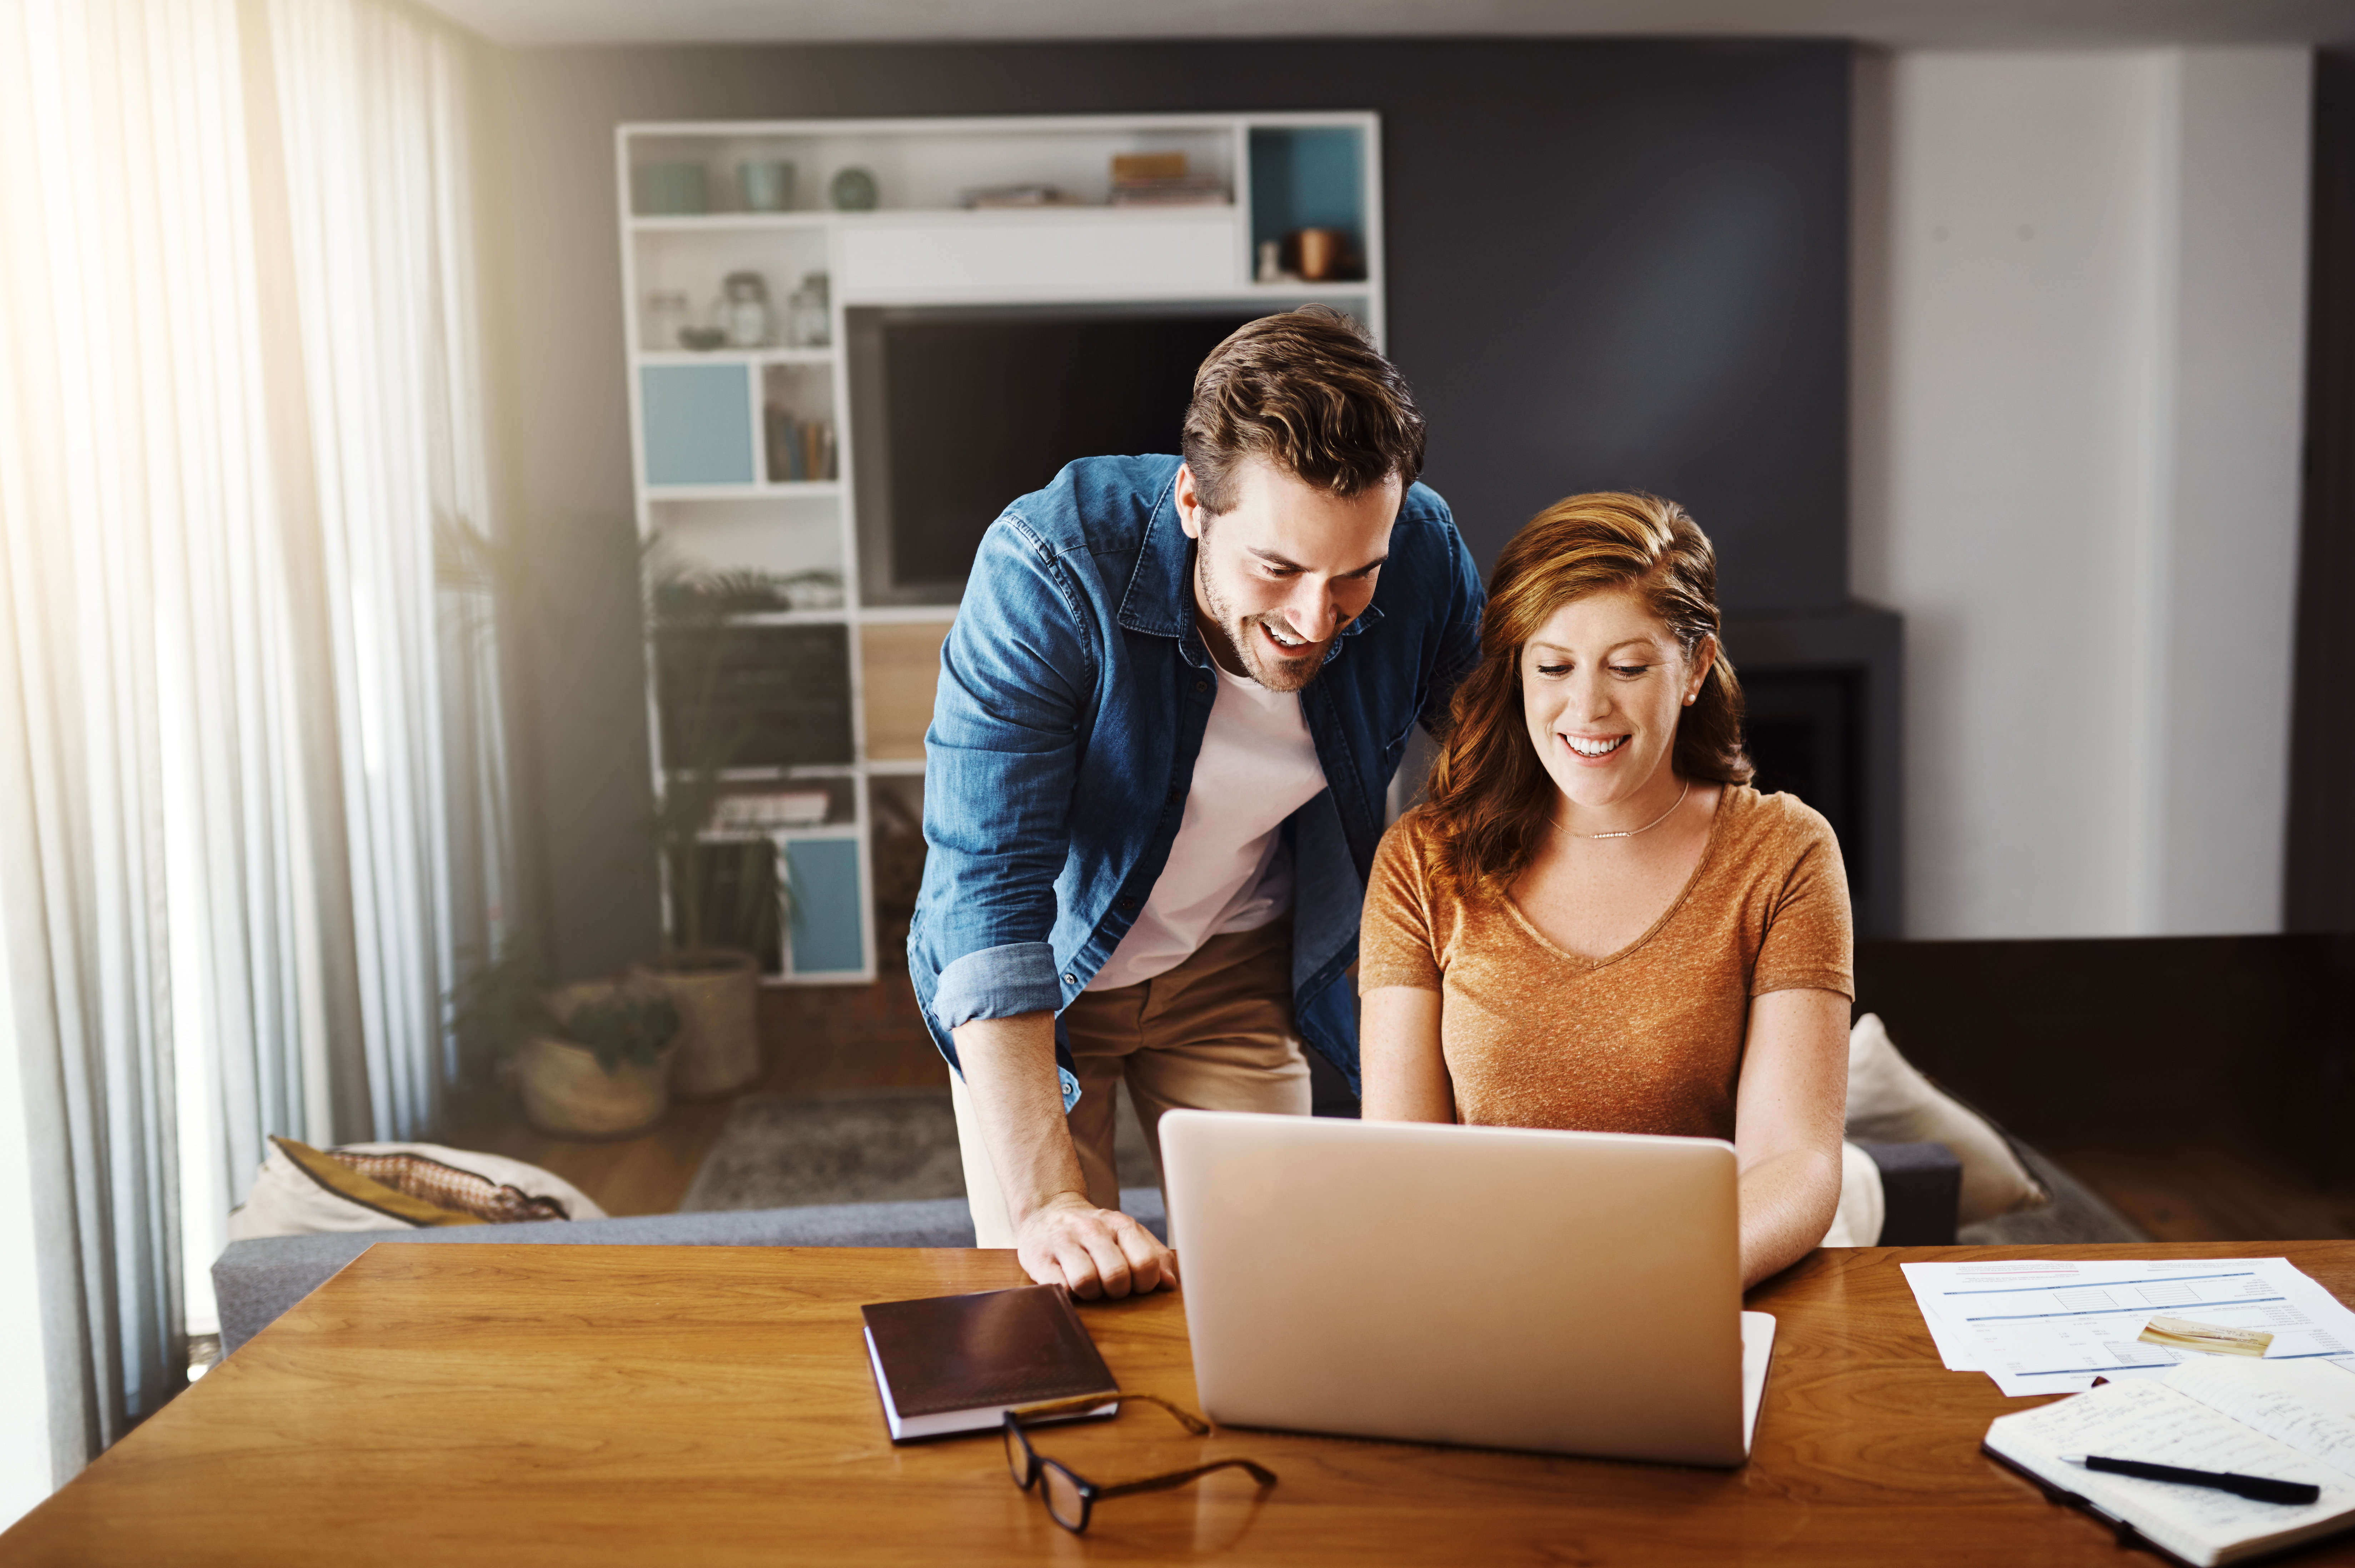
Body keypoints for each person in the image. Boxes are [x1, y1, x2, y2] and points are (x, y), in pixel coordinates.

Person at [912, 307, 1485, 1299]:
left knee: (1271, 1289)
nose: (1316, 621)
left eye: (1356, 576)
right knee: (1059, 1292)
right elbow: (986, 889)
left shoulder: (1424, 553)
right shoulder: (1045, 568)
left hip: (1234, 960)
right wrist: (1050, 1204)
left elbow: (1508, 772)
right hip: (1046, 974)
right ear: (1191, 502)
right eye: (1278, 567)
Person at [1358, 491, 1849, 1288]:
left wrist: (1643, 1283)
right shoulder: (1421, 860)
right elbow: (1402, 1164)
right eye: (1552, 666)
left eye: (1627, 667)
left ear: (1692, 667)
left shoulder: (1782, 851)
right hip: (1485, 1292)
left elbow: (1793, 1162)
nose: (1586, 707)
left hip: (1689, 1287)